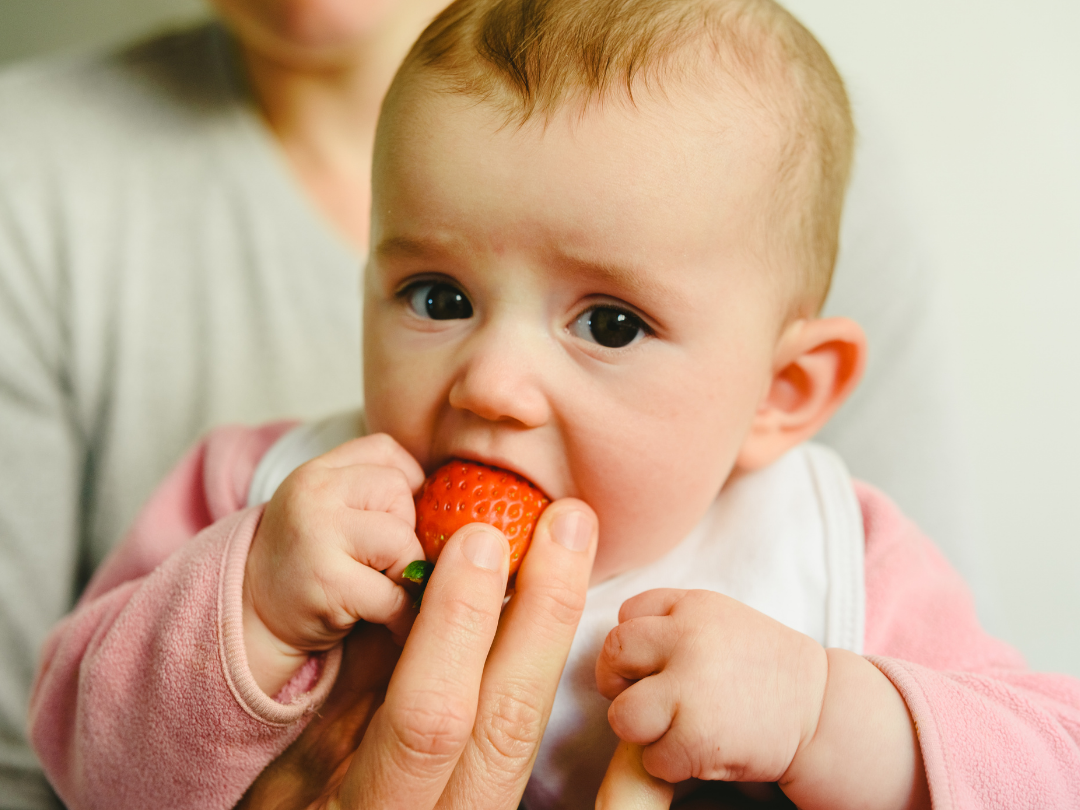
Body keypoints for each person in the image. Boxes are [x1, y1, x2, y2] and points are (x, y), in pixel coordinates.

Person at [26, 0, 1080, 808]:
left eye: (610, 324)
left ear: (781, 394)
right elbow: (73, 751)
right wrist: (245, 614)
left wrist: (829, 716)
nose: (490, 381)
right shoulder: (262, 500)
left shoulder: (832, 553)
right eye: (437, 299)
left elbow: (1054, 765)